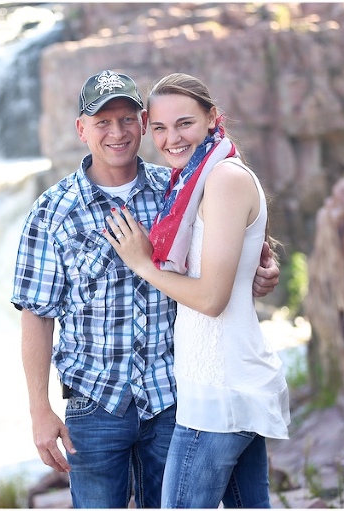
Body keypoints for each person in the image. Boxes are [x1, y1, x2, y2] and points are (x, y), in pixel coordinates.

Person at [11, 69, 280, 508]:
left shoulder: (178, 188)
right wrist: (39, 410)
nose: (116, 133)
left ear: (142, 122)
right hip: (95, 404)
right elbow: (36, 314)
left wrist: (260, 272)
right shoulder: (52, 211)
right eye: (102, 122)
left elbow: (227, 257)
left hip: (173, 398)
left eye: (126, 120)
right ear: (82, 129)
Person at [102, 72, 291, 508]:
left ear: (212, 118)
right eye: (160, 128)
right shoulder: (193, 181)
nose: (171, 139)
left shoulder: (223, 179)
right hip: (217, 386)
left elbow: (210, 298)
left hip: (220, 392)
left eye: (184, 123)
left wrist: (141, 264)